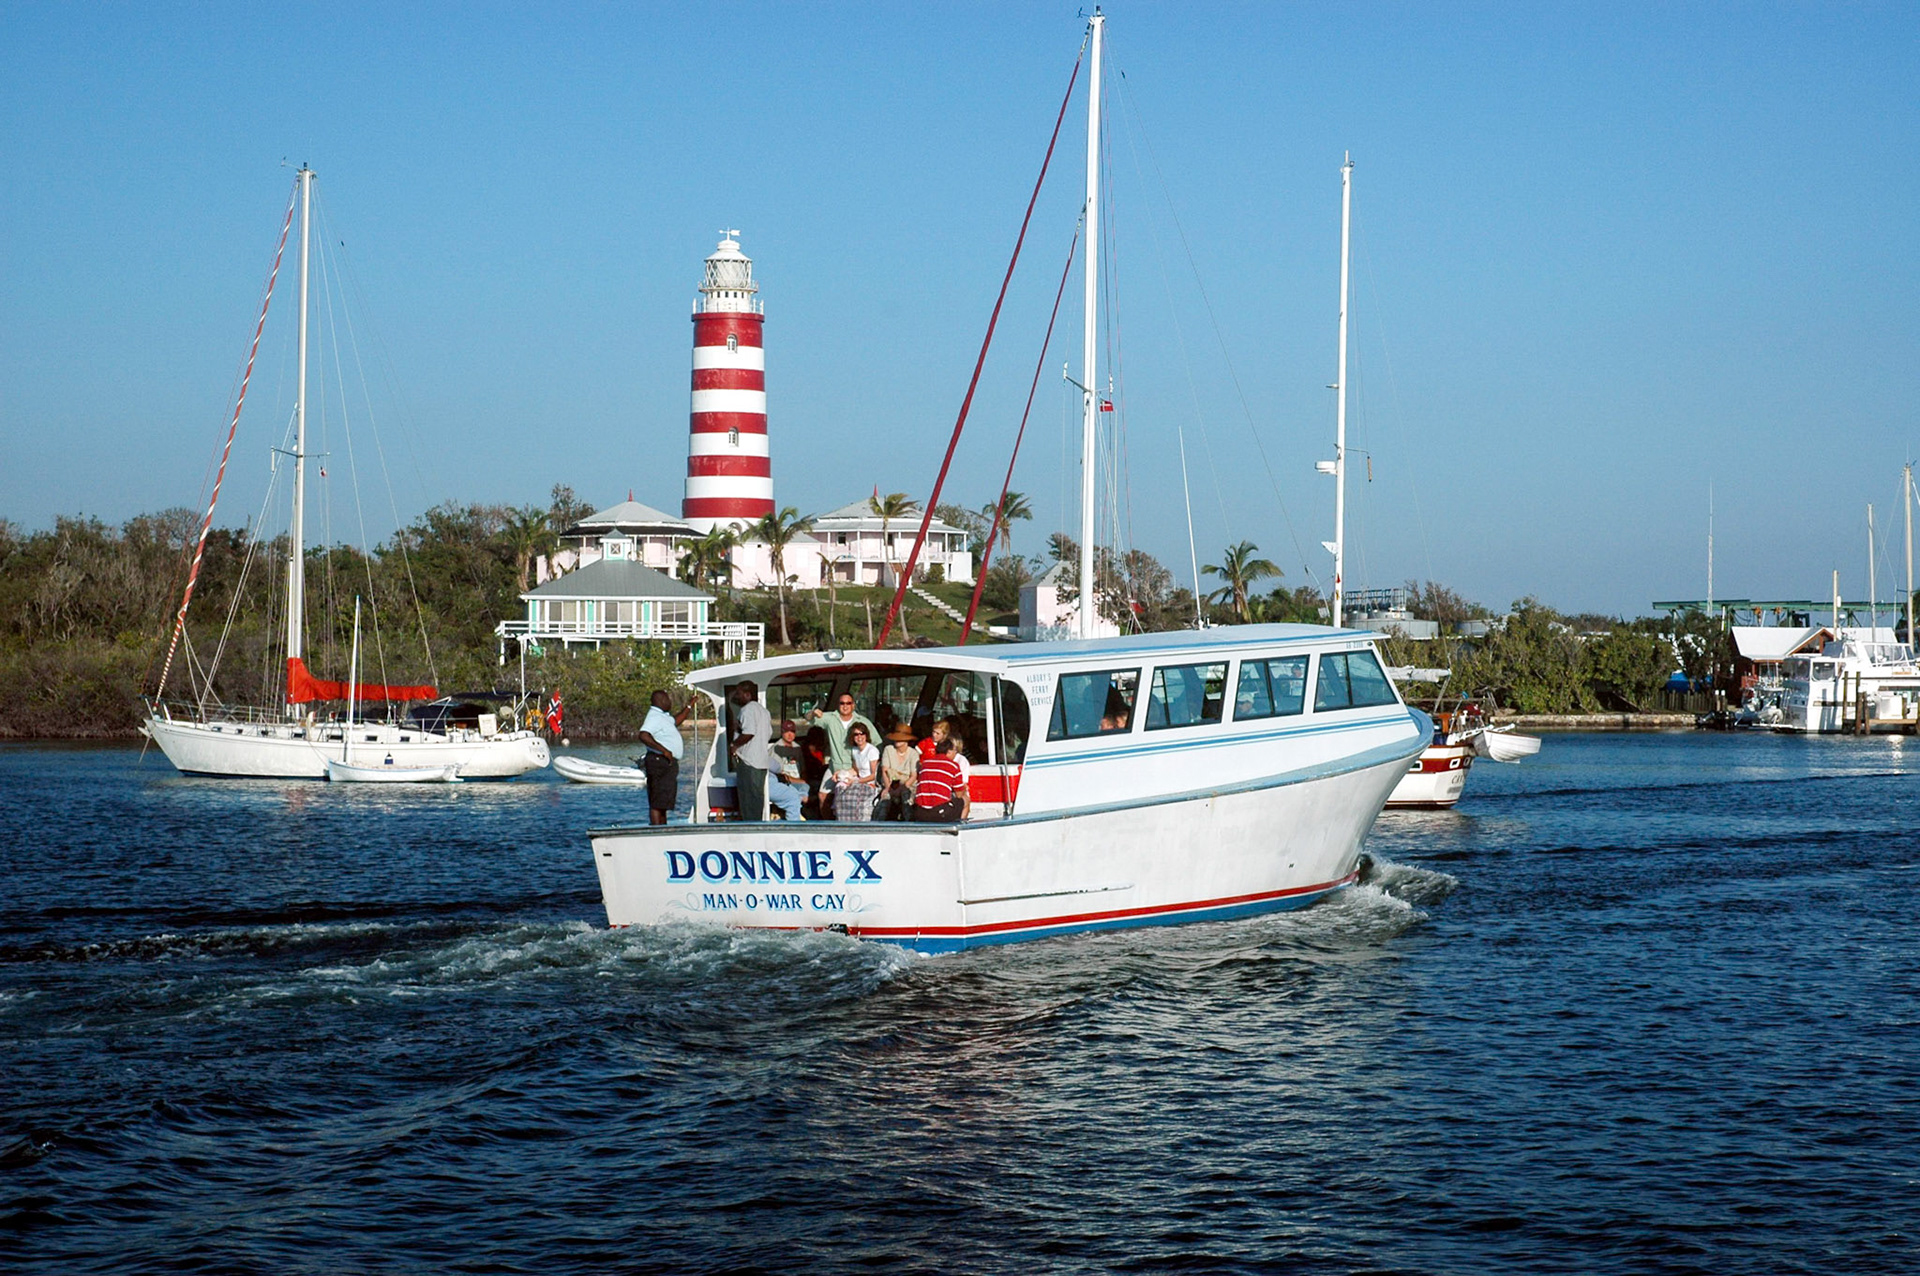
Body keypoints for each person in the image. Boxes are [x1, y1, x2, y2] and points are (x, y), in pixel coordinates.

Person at [810, 692, 876, 811]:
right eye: (842, 703)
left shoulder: (863, 721)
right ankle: (829, 826)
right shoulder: (830, 718)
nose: (845, 706)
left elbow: (876, 743)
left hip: (853, 769)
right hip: (834, 766)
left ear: (853, 705)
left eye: (848, 703)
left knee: (847, 800)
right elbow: (808, 718)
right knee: (822, 796)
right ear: (838, 705)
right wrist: (812, 712)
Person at [637, 689, 693, 826]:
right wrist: (664, 751)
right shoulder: (654, 717)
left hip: (666, 763)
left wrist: (690, 705)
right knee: (657, 800)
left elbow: (676, 720)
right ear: (661, 701)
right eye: (668, 699)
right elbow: (643, 735)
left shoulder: (663, 716)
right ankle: (656, 829)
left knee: (663, 800)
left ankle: (662, 827)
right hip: (659, 761)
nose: (670, 702)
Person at [729, 679, 773, 822]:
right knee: (757, 800)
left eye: (739, 693)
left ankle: (749, 833)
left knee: (748, 803)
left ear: (747, 695)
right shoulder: (764, 711)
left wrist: (734, 745)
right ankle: (757, 829)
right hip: (761, 762)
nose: (736, 696)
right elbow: (769, 733)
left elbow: (749, 733)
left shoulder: (747, 709)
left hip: (749, 762)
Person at [911, 736, 967, 823]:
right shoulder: (953, 765)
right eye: (954, 751)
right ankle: (959, 827)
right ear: (949, 751)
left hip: (920, 812)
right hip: (939, 812)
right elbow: (959, 794)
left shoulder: (925, 764)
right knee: (965, 799)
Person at [832, 722, 880, 821]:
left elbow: (874, 775)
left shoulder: (872, 751)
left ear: (866, 735)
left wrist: (855, 781)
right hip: (858, 780)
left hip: (869, 783)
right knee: (839, 787)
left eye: (862, 734)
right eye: (856, 734)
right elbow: (855, 770)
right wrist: (840, 773)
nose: (859, 737)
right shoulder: (855, 750)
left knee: (854, 797)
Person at [767, 720, 808, 821]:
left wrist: (803, 779)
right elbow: (779, 774)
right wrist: (798, 781)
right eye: (787, 731)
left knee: (807, 788)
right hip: (784, 781)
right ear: (782, 732)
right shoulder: (776, 748)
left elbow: (803, 769)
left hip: (798, 780)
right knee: (797, 793)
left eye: (792, 731)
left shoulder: (797, 748)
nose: (790, 734)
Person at [878, 723, 919, 820]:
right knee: (884, 800)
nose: (897, 740)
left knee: (907, 800)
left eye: (901, 738)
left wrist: (901, 789)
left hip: (907, 784)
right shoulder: (888, 749)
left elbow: (913, 776)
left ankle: (909, 826)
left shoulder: (913, 753)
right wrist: (889, 788)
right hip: (890, 782)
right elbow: (884, 771)